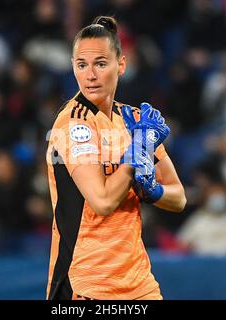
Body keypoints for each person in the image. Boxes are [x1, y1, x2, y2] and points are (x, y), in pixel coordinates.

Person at [45, 16, 186, 300]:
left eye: (100, 63)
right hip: (85, 284)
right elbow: (104, 201)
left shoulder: (134, 120)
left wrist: (151, 190)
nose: (90, 75)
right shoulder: (72, 124)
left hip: (139, 284)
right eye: (81, 65)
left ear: (121, 65)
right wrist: (136, 156)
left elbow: (179, 197)